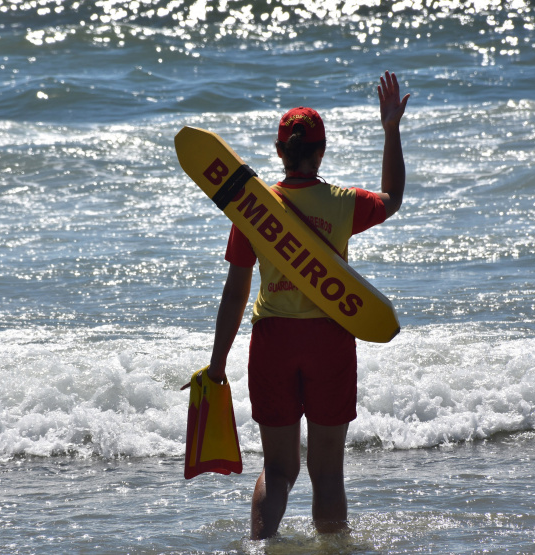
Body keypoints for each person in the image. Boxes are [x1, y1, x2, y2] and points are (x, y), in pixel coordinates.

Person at [204, 71, 409, 540]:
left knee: (278, 470)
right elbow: (393, 198)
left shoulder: (252, 209)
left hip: (272, 342)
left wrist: (216, 366)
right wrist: (391, 130)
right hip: (329, 337)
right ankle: (333, 550)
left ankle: (259, 548)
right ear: (322, 151)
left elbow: (235, 292)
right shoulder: (343, 203)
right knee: (327, 472)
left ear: (279, 151)